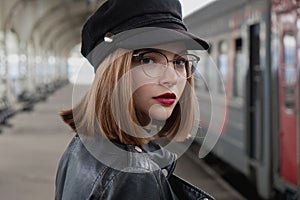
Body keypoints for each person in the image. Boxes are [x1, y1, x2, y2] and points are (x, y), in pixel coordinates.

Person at [55, 0, 214, 199]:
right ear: (113, 72)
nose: (172, 78)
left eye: (180, 62)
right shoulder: (134, 174)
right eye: (148, 60)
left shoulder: (82, 145)